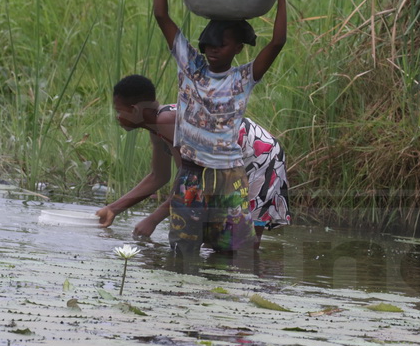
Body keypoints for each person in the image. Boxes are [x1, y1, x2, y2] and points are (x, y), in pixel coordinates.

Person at [152, 0, 293, 255]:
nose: (213, 50)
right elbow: (161, 15)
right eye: (208, 45)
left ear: (239, 48)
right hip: (191, 173)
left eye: (222, 45)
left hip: (229, 177)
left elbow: (278, 42)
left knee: (234, 251)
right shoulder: (191, 66)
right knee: (182, 250)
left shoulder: (243, 78)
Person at [95, 74, 291, 247]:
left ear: (134, 109)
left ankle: (256, 282)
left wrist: (153, 220)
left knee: (245, 243)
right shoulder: (157, 127)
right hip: (229, 163)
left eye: (119, 111)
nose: (118, 118)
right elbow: (158, 177)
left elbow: (192, 181)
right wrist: (113, 209)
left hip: (259, 154)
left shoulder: (167, 122)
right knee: (220, 241)